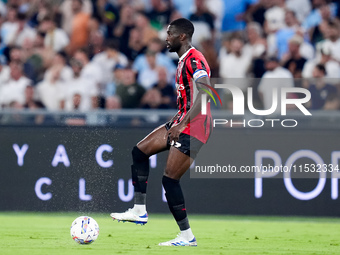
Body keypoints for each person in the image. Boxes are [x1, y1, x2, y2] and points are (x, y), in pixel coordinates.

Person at [110, 18, 213, 247]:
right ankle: (139, 210)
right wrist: (179, 121)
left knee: (170, 179)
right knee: (139, 151)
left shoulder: (195, 59)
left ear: (182, 36)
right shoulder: (182, 60)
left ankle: (187, 236)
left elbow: (206, 94)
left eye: (170, 34)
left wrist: (182, 123)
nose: (165, 38)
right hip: (182, 120)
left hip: (196, 124)